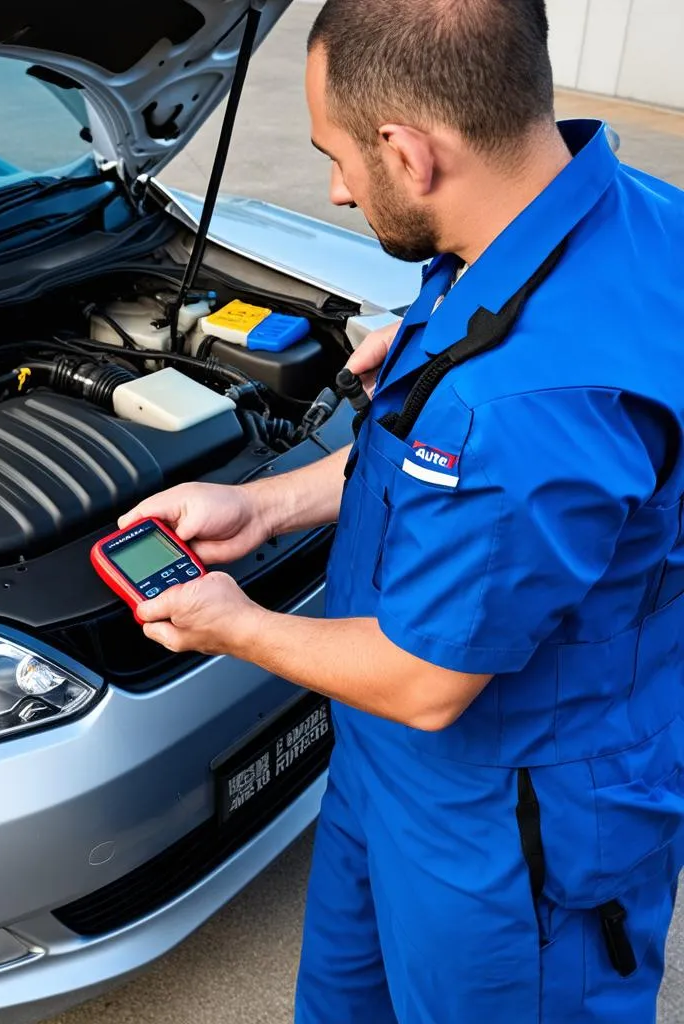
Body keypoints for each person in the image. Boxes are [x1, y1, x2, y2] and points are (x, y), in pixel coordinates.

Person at [117, 0, 684, 1020]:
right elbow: (423, 457)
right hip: (388, 770)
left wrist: (233, 625)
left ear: (409, 152)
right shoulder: (579, 222)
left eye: (335, 155)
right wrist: (261, 509)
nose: (333, 189)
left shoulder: (525, 404)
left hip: (509, 830)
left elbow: (425, 681)